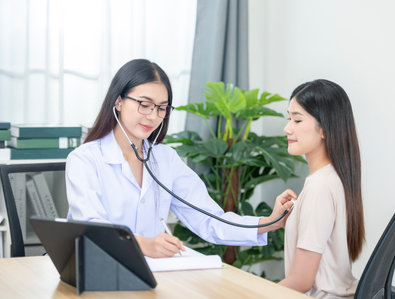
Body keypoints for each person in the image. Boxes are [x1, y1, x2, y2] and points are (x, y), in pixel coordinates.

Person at [65, 58, 295, 258]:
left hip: (150, 274)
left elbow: (209, 219)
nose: (153, 116)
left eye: (162, 108)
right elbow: (92, 227)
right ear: (119, 101)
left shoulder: (166, 160)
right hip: (95, 270)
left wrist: (269, 222)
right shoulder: (85, 160)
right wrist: (145, 245)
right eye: (144, 105)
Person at [278, 79, 365, 298]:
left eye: (297, 120)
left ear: (325, 129)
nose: (287, 128)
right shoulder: (335, 177)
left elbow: (302, 281)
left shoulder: (320, 187)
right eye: (289, 119)